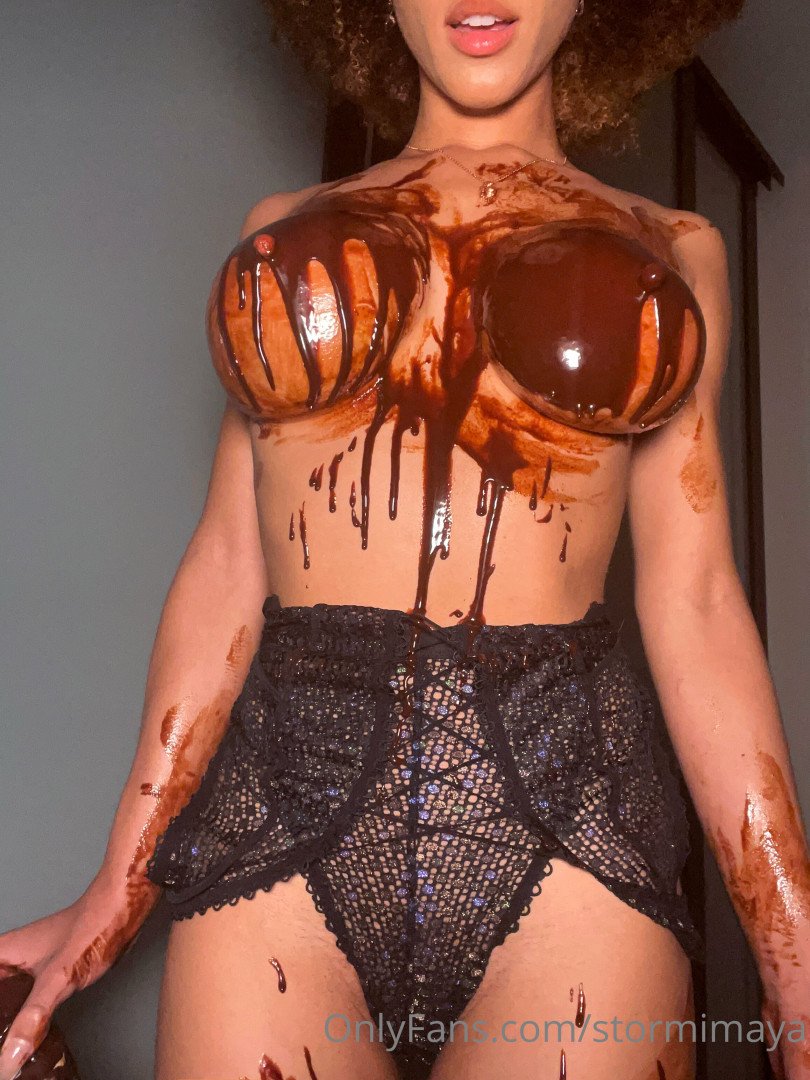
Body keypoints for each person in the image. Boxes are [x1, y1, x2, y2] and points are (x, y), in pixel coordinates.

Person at [1, 1, 808, 1078]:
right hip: (278, 817)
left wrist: (793, 955)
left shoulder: (673, 248)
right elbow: (229, 567)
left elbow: (695, 600)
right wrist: (121, 879)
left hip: (570, 830)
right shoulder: (281, 224)